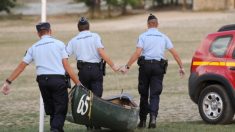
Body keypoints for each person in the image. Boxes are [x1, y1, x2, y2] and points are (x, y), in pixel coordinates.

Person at [1, 22, 81, 132]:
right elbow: (66, 66)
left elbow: (21, 67)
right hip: (57, 80)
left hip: (42, 81)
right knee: (61, 108)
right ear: (50, 31)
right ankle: (55, 129)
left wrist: (8, 82)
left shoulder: (33, 48)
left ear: (38, 34)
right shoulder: (59, 44)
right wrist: (78, 83)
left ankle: (56, 129)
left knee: (52, 110)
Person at [120, 14, 185, 129]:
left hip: (145, 67)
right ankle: (153, 118)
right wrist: (181, 67)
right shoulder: (163, 37)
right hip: (158, 67)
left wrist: (127, 66)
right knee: (155, 94)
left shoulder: (143, 36)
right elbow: (174, 53)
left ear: (148, 24)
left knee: (144, 94)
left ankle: (143, 121)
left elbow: (137, 53)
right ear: (157, 24)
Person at [66, 17, 119, 129]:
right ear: (88, 26)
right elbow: (101, 52)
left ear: (78, 28)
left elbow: (64, 56)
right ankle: (96, 123)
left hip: (83, 71)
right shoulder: (95, 36)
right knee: (97, 98)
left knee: (85, 97)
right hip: (96, 70)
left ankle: (89, 124)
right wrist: (113, 66)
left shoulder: (73, 40)